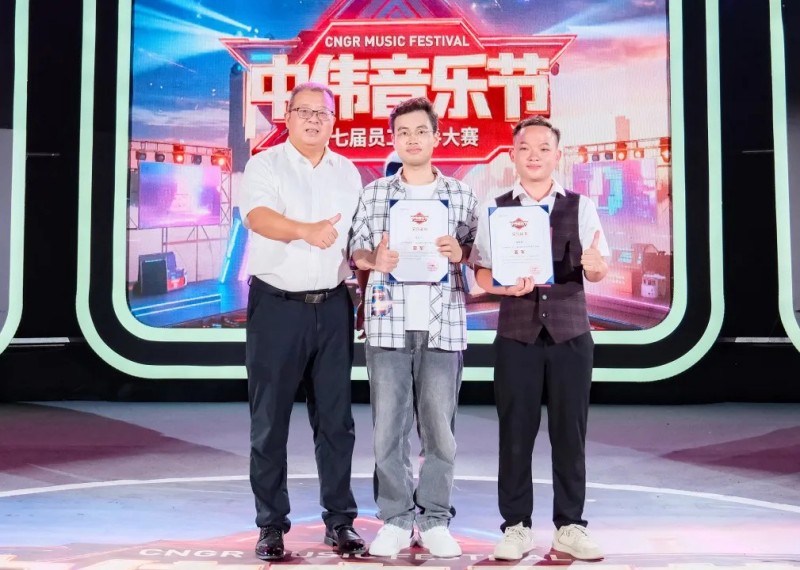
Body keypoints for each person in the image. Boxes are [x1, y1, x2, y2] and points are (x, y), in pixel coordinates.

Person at [469, 116, 609, 561]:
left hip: (571, 334)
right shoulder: (495, 207)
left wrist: (595, 266)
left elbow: (598, 267)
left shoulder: (580, 206)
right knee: (515, 433)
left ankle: (570, 525)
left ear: (557, 155)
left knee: (570, 433)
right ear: (513, 155)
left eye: (543, 148)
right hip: (517, 335)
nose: (534, 155)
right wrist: (502, 286)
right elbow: (480, 271)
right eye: (525, 148)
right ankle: (516, 526)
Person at [239, 82, 366, 560]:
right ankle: (271, 525)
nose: (314, 119)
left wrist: (370, 271)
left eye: (323, 113)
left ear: (334, 121)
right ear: (288, 117)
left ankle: (340, 521)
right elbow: (257, 217)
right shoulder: (265, 164)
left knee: (336, 421)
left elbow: (355, 238)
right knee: (269, 421)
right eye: (304, 111)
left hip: (333, 306)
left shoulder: (348, 171)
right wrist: (304, 231)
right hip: (277, 307)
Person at [349, 97, 478, 558]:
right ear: (394, 139)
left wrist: (462, 254)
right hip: (388, 323)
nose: (412, 139)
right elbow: (357, 250)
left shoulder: (461, 196)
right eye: (403, 132)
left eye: (421, 131)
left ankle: (436, 517)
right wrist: (374, 259)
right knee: (388, 429)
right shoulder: (375, 194)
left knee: (440, 430)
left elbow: (479, 258)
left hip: (444, 324)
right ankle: (397, 519)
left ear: (437, 136)